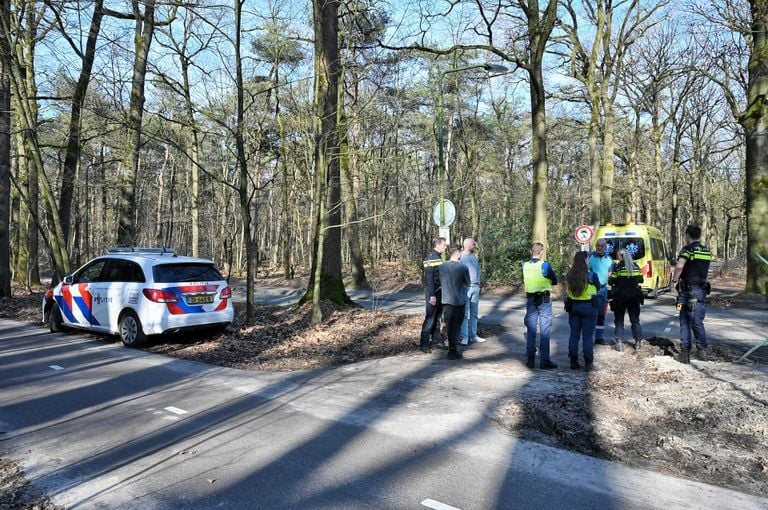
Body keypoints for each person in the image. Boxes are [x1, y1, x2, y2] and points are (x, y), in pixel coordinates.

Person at [671, 225, 713, 363]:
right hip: (701, 290)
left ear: (687, 235)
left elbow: (679, 266)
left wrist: (674, 281)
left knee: (685, 321)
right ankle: (702, 352)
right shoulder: (706, 251)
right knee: (698, 321)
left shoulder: (687, 249)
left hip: (687, 291)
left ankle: (684, 354)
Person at [522, 242, 558, 369]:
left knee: (531, 330)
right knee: (545, 330)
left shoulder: (525, 265)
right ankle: (544, 361)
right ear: (541, 252)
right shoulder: (545, 265)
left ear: (531, 251)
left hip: (531, 299)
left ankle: (530, 360)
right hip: (544, 300)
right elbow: (555, 280)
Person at [565, 251, 602, 372]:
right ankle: (588, 363)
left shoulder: (570, 275)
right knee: (587, 336)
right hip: (589, 307)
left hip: (573, 307)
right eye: (588, 259)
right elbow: (598, 286)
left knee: (574, 335)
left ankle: (573, 361)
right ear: (585, 260)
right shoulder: (591, 275)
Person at [609, 248, 644, 352]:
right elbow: (641, 279)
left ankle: (619, 343)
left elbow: (611, 281)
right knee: (635, 320)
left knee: (619, 320)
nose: (617, 258)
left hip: (620, 296)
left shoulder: (618, 267)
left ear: (621, 257)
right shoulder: (636, 267)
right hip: (634, 296)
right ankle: (638, 342)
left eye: (618, 256)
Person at [439, 246, 471, 359]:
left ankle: (451, 349)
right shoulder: (463, 267)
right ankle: (454, 349)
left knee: (449, 325)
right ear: (457, 253)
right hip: (459, 300)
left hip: (446, 300)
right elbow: (468, 283)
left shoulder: (442, 267)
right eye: (460, 253)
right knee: (457, 326)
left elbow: (440, 281)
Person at [420, 237, 447, 353]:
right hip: (433, 292)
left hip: (439, 291)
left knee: (437, 317)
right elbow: (429, 279)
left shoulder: (439, 257)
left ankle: (436, 340)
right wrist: (432, 295)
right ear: (438, 245)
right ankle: (424, 344)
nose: (445, 247)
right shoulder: (431, 258)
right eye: (444, 245)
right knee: (430, 318)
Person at [460, 237, 486, 346]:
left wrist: (479, 284)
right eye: (473, 244)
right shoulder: (460, 257)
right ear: (467, 245)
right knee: (465, 314)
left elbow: (477, 270)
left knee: (474, 314)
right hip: (466, 288)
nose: (475, 246)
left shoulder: (474, 256)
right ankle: (464, 337)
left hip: (475, 287)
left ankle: (473, 335)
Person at [588, 238, 614, 345]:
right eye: (598, 245)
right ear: (596, 246)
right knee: (589, 314)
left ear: (605, 247)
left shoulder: (609, 259)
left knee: (601, 314)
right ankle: (588, 336)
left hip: (603, 290)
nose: (599, 247)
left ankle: (599, 337)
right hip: (590, 289)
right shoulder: (589, 257)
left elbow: (610, 273)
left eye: (602, 246)